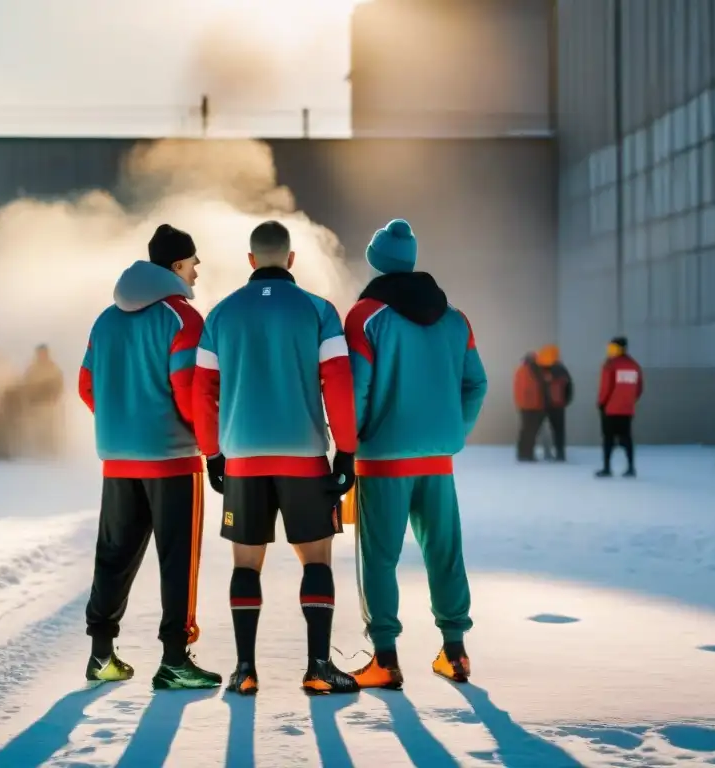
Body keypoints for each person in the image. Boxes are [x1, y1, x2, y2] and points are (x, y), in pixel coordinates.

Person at [193, 220, 359, 696]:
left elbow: (203, 391)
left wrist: (213, 453)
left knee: (246, 566)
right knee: (317, 561)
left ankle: (244, 669)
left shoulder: (221, 315)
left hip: (243, 459)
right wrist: (345, 448)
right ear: (290, 259)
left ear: (250, 260)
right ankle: (319, 666)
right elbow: (339, 384)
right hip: (305, 458)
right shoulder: (318, 311)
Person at [342, 219, 488, 689]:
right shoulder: (455, 319)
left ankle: (385, 658)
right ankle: (456, 653)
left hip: (382, 460)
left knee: (379, 558)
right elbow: (476, 384)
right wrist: (452, 430)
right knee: (445, 554)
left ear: (376, 260)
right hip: (437, 462)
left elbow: (357, 388)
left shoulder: (365, 316)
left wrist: (353, 440)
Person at [79, 224, 220, 690]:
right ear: (177, 265)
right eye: (193, 261)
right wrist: (209, 445)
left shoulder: (106, 319)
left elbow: (86, 385)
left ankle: (102, 655)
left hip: (119, 460)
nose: (198, 269)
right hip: (172, 460)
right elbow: (190, 392)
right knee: (178, 558)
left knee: (113, 554)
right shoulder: (183, 319)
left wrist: (123, 419)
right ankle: (176, 660)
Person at [596, 336, 643, 478]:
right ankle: (630, 468)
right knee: (627, 438)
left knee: (608, 438)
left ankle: (607, 468)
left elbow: (606, 387)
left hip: (610, 408)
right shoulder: (635, 365)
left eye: (612, 348)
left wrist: (601, 403)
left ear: (619, 349)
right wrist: (630, 401)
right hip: (627, 409)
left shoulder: (610, 364)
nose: (610, 351)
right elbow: (639, 388)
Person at [20, 344, 65, 458]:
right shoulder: (32, 368)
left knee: (49, 427)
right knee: (36, 427)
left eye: (43, 353)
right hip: (36, 404)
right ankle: (39, 449)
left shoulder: (52, 367)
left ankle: (51, 449)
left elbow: (59, 384)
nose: (42, 355)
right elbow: (25, 384)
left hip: (49, 404)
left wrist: (54, 398)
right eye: (40, 353)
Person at [536, 344, 573, 462]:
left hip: (543, 405)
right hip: (558, 406)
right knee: (559, 431)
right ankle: (560, 454)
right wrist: (566, 401)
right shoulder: (562, 369)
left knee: (542, 430)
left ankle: (547, 452)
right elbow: (569, 388)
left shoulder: (540, 370)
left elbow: (536, 388)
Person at [513, 352, 545, 461]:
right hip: (533, 407)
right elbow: (534, 389)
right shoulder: (533, 371)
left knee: (525, 431)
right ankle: (528, 454)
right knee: (530, 432)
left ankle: (522, 453)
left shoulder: (520, 370)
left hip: (524, 406)